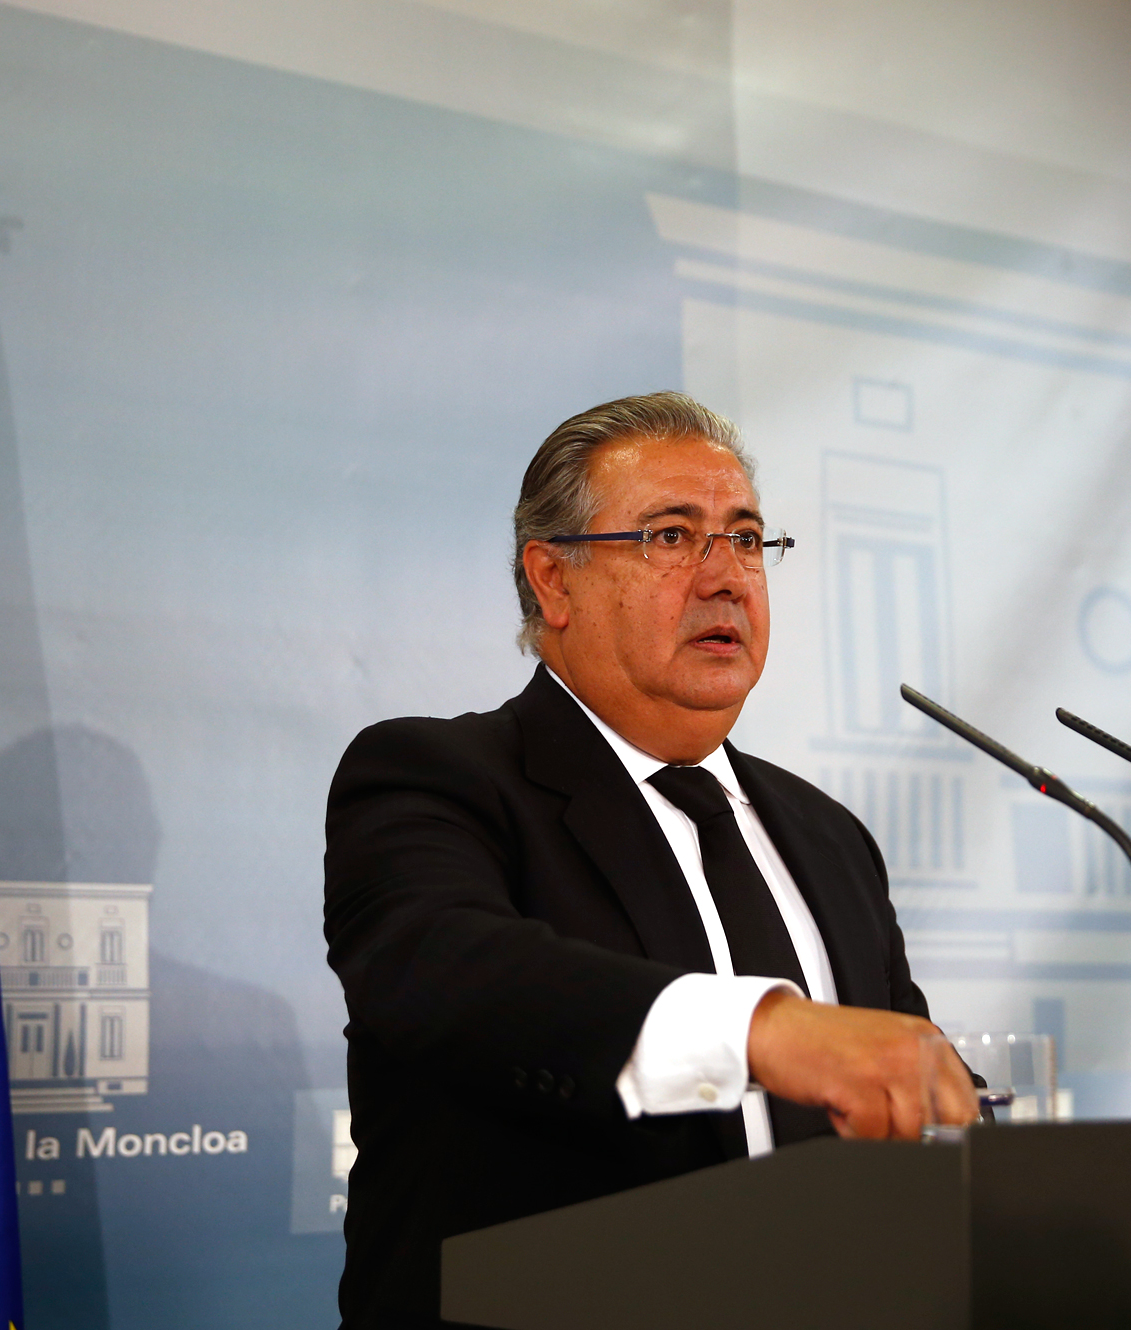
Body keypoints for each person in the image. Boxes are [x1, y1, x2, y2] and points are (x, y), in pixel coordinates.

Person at [323, 392, 978, 1327]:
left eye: (745, 539)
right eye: (672, 537)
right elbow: (449, 975)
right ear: (553, 580)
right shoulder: (436, 776)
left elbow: (895, 1086)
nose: (727, 578)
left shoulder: (828, 836)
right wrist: (766, 1031)